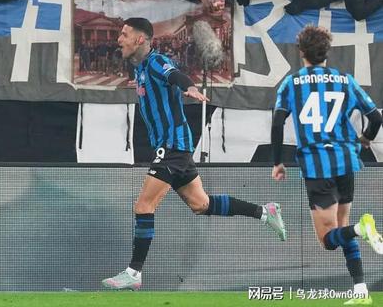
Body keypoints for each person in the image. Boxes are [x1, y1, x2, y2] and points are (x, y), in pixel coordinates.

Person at [102, 17, 287, 291]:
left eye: (124, 34)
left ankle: (133, 273)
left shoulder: (155, 61)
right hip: (173, 146)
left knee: (143, 206)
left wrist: (188, 87)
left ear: (140, 39)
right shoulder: (139, 68)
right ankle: (264, 212)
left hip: (172, 146)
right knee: (201, 204)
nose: (119, 39)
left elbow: (175, 76)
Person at [271, 25, 383, 305]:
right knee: (342, 226)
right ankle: (361, 291)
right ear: (326, 52)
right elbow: (376, 118)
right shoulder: (345, 80)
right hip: (346, 161)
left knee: (327, 240)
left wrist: (277, 162)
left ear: (301, 52)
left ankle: (361, 229)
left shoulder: (291, 83)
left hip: (316, 165)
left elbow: (277, 122)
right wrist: (366, 139)